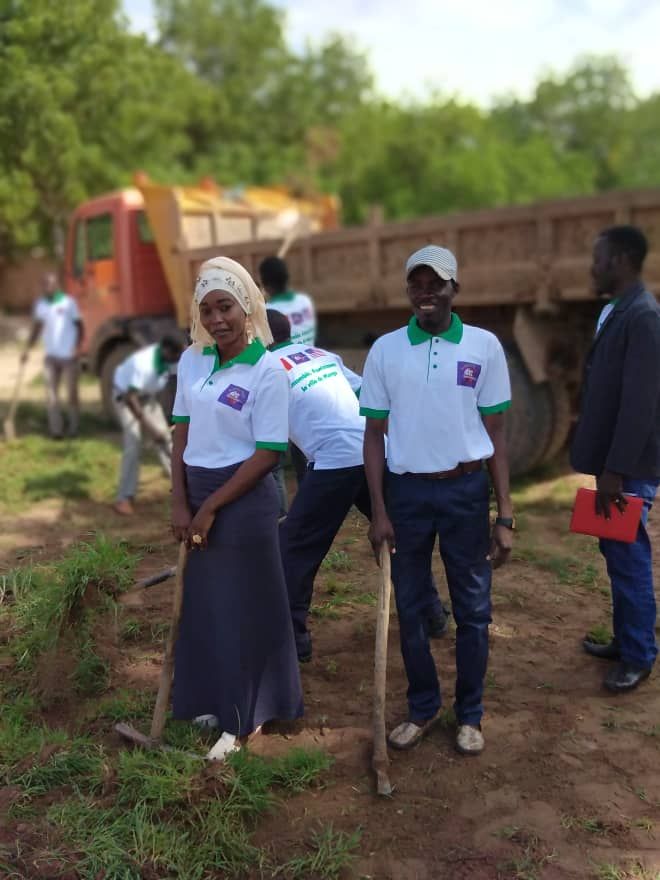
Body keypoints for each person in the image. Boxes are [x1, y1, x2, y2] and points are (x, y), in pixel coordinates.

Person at [360, 245, 513, 756]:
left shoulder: (484, 347)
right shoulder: (385, 350)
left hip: (466, 491)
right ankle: (423, 707)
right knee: (409, 606)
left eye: (436, 283)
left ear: (454, 289)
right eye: (416, 284)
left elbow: (496, 435)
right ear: (408, 291)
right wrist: (378, 510)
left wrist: (505, 514)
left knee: (472, 608)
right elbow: (374, 435)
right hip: (406, 495)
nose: (426, 293)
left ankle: (469, 715)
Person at [170, 256, 303, 761]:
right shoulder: (192, 361)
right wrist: (181, 500)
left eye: (225, 306)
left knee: (244, 605)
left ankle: (242, 718)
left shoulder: (268, 370)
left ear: (246, 306)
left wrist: (213, 509)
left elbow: (269, 452)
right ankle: (209, 699)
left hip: (244, 500)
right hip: (198, 491)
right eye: (207, 310)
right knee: (205, 604)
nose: (217, 319)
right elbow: (181, 430)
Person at [268, 309, 449, 664]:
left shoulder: (263, 370)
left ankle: (293, 639)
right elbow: (364, 390)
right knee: (398, 537)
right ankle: (431, 614)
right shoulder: (320, 355)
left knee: (294, 549)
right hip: (373, 450)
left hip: (336, 460)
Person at [572, 225, 660, 693]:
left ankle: (640, 656)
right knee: (616, 554)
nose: (593, 267)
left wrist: (614, 470)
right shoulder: (617, 310)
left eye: (599, 258)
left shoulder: (644, 316)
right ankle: (627, 641)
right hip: (613, 466)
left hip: (626, 469)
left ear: (622, 260)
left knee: (629, 560)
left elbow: (640, 404)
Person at [260, 255, 316, 507]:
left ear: (266, 285)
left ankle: (293, 507)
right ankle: (312, 499)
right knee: (307, 448)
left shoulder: (269, 313)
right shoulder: (304, 302)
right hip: (309, 368)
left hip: (285, 378)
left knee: (280, 454)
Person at [112, 336, 183, 516]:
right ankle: (124, 498)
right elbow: (130, 398)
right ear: (166, 351)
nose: (178, 359)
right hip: (127, 399)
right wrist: (151, 429)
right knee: (133, 446)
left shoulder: (171, 357)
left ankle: (182, 490)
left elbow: (177, 384)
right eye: (176, 355)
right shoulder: (143, 364)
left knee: (167, 442)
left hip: (147, 398)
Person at [23, 272, 83, 438]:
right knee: (51, 394)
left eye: (50, 284)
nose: (47, 287)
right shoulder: (40, 304)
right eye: (44, 284)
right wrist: (27, 349)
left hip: (68, 356)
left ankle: (74, 427)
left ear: (56, 285)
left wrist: (77, 347)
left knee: (72, 393)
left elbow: (80, 326)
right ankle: (56, 430)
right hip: (51, 356)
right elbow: (36, 329)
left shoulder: (69, 302)